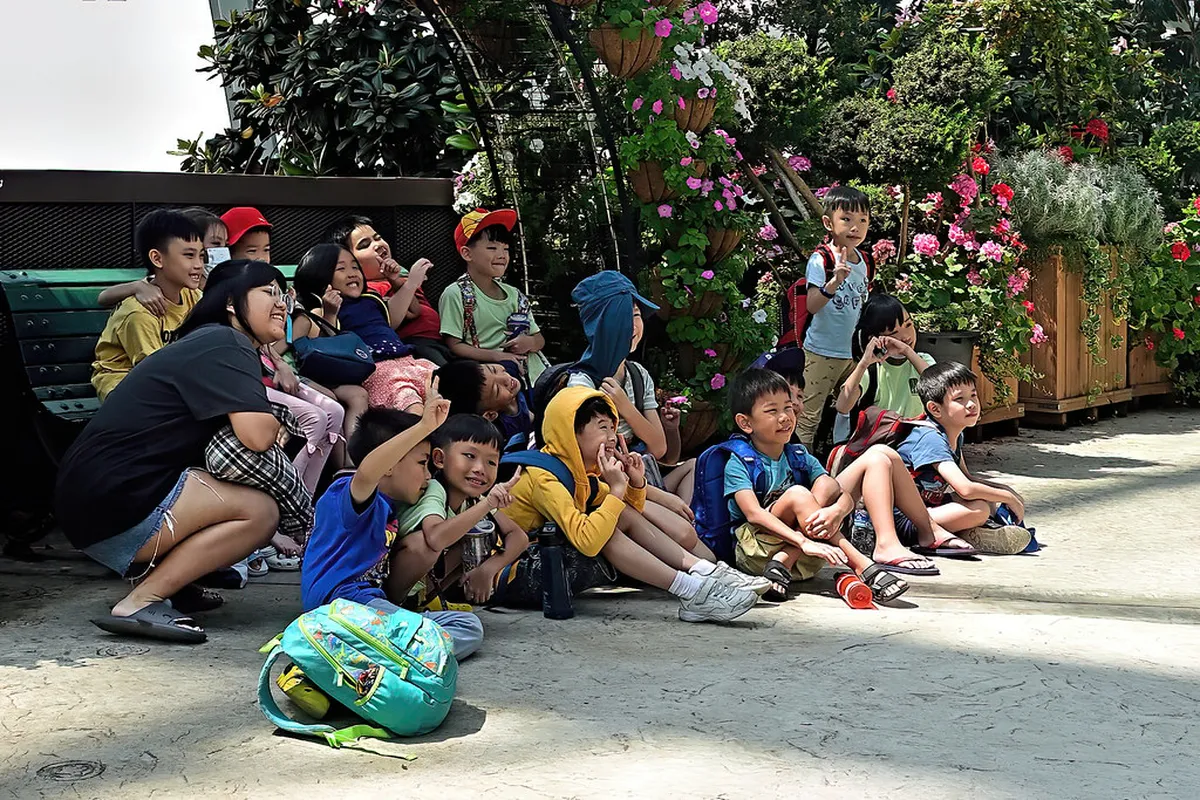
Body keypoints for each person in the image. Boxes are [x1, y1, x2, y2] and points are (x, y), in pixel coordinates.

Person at [55, 260, 291, 643]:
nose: (281, 304)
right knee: (260, 512)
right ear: (231, 302)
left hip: (92, 500)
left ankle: (173, 584)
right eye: (269, 292)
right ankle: (141, 601)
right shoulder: (227, 342)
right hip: (111, 502)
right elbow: (257, 437)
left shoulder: (208, 340)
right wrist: (278, 422)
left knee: (230, 479)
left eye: (284, 295)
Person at [494, 387, 765, 622]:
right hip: (513, 573)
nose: (612, 437)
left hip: (544, 560)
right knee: (605, 530)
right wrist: (617, 488)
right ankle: (691, 591)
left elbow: (630, 511)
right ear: (570, 433)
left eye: (613, 428)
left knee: (616, 513)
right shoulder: (545, 477)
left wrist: (634, 482)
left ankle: (704, 573)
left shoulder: (581, 474)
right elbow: (587, 541)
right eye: (602, 427)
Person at [299, 381, 484, 659]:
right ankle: (389, 654)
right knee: (462, 630)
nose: (428, 475)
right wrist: (423, 426)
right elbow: (367, 473)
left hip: (368, 609)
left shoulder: (388, 506)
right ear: (388, 465)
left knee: (466, 625)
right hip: (343, 608)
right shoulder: (347, 493)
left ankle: (383, 651)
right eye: (422, 463)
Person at [723, 368, 908, 603]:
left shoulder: (799, 455)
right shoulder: (739, 462)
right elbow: (754, 514)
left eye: (788, 407)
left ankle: (783, 561)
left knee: (826, 485)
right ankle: (861, 564)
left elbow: (839, 493)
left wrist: (837, 511)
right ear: (745, 423)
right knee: (799, 494)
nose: (785, 417)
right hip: (757, 551)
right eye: (772, 411)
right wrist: (803, 541)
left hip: (801, 554)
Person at [563, 272, 706, 556]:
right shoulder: (581, 386)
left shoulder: (638, 375)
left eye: (637, 315)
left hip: (642, 471)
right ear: (597, 324)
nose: (632, 326)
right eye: (621, 317)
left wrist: (625, 406)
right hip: (611, 486)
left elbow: (659, 448)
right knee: (685, 536)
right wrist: (662, 497)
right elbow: (594, 461)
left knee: (697, 467)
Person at [386, 414, 530, 608]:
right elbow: (435, 538)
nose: (480, 469)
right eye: (470, 456)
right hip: (387, 585)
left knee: (476, 538)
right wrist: (488, 504)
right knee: (422, 544)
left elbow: (518, 536)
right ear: (439, 459)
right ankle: (396, 606)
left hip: (422, 587)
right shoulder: (434, 488)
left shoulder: (474, 500)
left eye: (491, 462)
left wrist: (487, 570)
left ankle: (421, 602)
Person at [896, 362, 1032, 555]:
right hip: (906, 519)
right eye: (960, 399)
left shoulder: (954, 434)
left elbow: (966, 477)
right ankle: (962, 533)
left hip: (930, 505)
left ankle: (970, 532)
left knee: (988, 499)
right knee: (979, 510)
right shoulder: (930, 438)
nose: (971, 404)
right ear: (935, 409)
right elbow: (965, 489)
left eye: (973, 395)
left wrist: (1006, 491)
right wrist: (1008, 497)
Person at [294, 243, 437, 413]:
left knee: (454, 386)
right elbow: (324, 351)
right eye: (341, 269)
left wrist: (396, 281)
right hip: (376, 371)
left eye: (355, 267)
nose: (352, 273)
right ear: (320, 277)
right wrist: (330, 313)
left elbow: (412, 311)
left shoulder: (371, 299)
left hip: (409, 361)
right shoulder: (321, 310)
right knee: (412, 406)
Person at [91, 210, 206, 402]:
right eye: (189, 255)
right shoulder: (139, 313)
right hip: (124, 388)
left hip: (168, 379)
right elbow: (155, 372)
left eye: (201, 256)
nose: (199, 265)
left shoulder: (193, 296)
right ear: (157, 259)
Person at [796, 186, 874, 450]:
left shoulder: (865, 262)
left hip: (853, 355)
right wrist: (834, 282)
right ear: (828, 223)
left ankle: (843, 458)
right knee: (807, 416)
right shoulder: (821, 260)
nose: (855, 227)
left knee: (851, 411)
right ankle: (799, 467)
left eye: (862, 220)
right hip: (820, 352)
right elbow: (812, 305)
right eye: (847, 219)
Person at [439, 208, 549, 383]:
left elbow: (539, 338)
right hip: (498, 378)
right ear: (467, 253)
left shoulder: (515, 295)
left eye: (506, 249)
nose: (502, 255)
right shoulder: (456, 294)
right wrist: (496, 356)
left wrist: (530, 343)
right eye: (492, 248)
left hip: (538, 374)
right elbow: (454, 345)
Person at [325, 215, 452, 366]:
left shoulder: (398, 279)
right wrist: (411, 283)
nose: (377, 245)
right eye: (364, 245)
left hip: (440, 342)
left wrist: (397, 281)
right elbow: (398, 316)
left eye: (377, 238)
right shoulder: (366, 292)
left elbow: (415, 309)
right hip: (415, 346)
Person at [833, 294, 934, 442]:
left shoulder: (923, 360)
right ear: (875, 339)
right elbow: (842, 407)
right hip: (880, 444)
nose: (906, 336)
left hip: (918, 438)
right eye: (893, 333)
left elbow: (941, 388)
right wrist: (863, 364)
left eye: (908, 325)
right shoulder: (872, 370)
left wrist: (907, 351)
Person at [96, 207, 229, 315]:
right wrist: (137, 287)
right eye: (215, 243)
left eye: (226, 244)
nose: (222, 251)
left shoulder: (194, 292)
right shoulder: (143, 308)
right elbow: (103, 297)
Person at [433, 359, 533, 445]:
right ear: (490, 415)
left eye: (493, 370)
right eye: (497, 389)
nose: (505, 378)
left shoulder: (511, 370)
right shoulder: (504, 433)